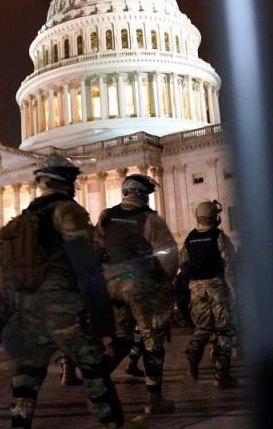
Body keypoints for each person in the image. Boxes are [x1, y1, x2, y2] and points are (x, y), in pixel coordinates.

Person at [0, 157, 143, 429]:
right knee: (94, 367)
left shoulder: (27, 216)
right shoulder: (67, 212)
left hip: (30, 306)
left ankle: (19, 424)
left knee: (27, 374)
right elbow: (87, 267)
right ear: (67, 181)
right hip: (62, 306)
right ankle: (113, 424)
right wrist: (104, 324)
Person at [96, 174, 179, 414]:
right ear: (143, 194)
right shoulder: (150, 219)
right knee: (152, 340)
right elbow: (169, 257)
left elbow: (96, 246)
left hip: (111, 284)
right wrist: (165, 281)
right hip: (141, 285)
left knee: (121, 338)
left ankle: (98, 379)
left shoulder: (107, 215)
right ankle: (154, 400)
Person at [181, 200, 238, 388]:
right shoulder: (219, 236)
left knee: (202, 328)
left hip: (196, 289)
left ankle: (192, 356)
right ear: (216, 216)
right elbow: (230, 265)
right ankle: (222, 375)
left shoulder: (189, 239)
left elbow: (184, 263)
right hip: (217, 286)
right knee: (224, 329)